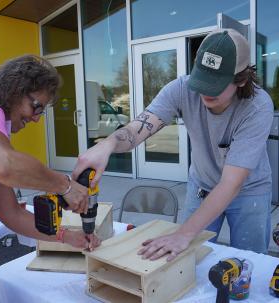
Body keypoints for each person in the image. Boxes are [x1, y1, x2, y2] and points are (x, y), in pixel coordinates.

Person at [74, 29, 274, 261]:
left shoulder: (257, 106)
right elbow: (137, 129)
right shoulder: (182, 88)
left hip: (250, 192)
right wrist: (107, 144)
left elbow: (231, 183)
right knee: (187, 261)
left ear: (241, 79)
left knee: (248, 264)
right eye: (203, 79)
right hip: (202, 185)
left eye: (215, 83)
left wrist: (183, 234)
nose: (204, 90)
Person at [0, 55, 100, 302]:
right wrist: (65, 186)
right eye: (37, 106)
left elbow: (12, 213)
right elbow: (3, 164)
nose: (36, 118)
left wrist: (66, 237)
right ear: (15, 89)